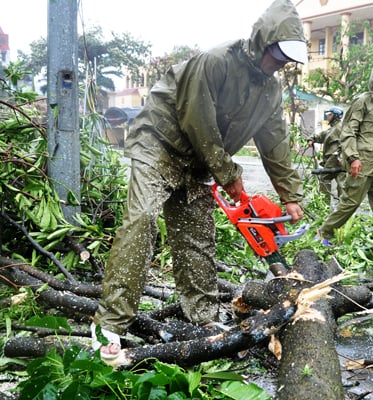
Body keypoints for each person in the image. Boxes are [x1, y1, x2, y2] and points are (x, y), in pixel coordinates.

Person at [92, 0, 307, 361]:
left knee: (196, 235)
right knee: (142, 219)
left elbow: (275, 142)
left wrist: (290, 194)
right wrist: (228, 174)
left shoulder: (269, 91)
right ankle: (110, 324)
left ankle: (204, 317)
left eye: (288, 58)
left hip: (200, 158)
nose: (281, 64)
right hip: (160, 142)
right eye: (278, 54)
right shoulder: (215, 62)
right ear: (261, 41)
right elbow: (198, 121)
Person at [316, 63, 373, 246]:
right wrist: (353, 158)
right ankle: (324, 232)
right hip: (361, 163)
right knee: (350, 202)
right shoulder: (362, 101)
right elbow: (348, 131)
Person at [307, 106, 345, 202]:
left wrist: (339, 156)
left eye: (330, 115)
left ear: (336, 116)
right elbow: (322, 136)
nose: (327, 117)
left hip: (335, 159)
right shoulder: (332, 128)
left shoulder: (340, 128)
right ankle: (343, 205)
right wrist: (312, 139)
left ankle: (324, 203)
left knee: (324, 179)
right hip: (333, 160)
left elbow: (346, 143)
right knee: (341, 182)